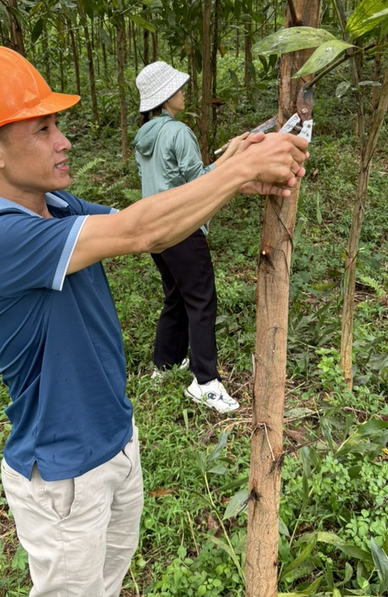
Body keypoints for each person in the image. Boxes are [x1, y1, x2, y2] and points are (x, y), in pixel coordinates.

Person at [0, 44, 308, 597]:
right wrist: (240, 169)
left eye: (58, 125)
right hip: (63, 475)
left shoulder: (56, 207)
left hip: (115, 444)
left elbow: (150, 220)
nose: (64, 141)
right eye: (43, 129)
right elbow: (140, 234)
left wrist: (228, 171)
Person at [134, 61, 248, 414]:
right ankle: (205, 382)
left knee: (176, 297)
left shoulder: (144, 137)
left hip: (155, 230)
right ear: (166, 97)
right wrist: (232, 155)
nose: (184, 93)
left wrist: (227, 154)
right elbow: (201, 183)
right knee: (201, 301)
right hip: (182, 228)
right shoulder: (178, 133)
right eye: (179, 89)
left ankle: (164, 364)